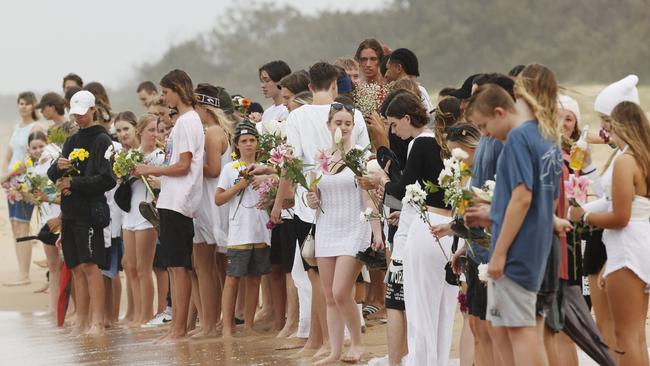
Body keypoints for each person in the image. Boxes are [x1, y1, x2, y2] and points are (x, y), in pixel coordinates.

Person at [464, 65, 565, 366]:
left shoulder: (520, 138)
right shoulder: (548, 136)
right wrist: (494, 213)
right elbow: (548, 199)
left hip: (518, 249)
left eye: (483, 126)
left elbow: (523, 197)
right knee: (509, 329)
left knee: (520, 332)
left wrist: (499, 254)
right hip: (537, 245)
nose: (485, 135)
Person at [271, 61, 370, 359]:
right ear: (337, 84)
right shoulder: (354, 114)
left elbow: (290, 163)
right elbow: (365, 159)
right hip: (329, 203)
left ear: (309, 87)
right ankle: (326, 343)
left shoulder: (297, 116)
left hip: (308, 207)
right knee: (328, 285)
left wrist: (280, 202)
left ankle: (324, 341)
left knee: (319, 283)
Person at [366, 90, 454, 366]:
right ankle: (436, 360)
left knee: (420, 307)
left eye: (393, 123)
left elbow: (404, 188)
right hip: (448, 226)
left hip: (428, 227)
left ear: (407, 118)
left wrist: (380, 179)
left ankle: (421, 360)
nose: (393, 130)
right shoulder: (441, 143)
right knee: (443, 308)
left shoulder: (420, 143)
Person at [569, 101, 650, 366]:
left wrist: (584, 217)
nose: (604, 129)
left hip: (626, 248)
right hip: (637, 246)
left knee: (625, 335)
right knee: (635, 335)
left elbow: (620, 216)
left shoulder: (627, 160)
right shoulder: (641, 156)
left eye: (608, 121)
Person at [305, 103, 382, 364]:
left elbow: (370, 199)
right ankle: (335, 351)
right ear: (329, 125)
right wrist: (311, 199)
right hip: (327, 228)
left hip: (354, 228)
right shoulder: (322, 158)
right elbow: (315, 197)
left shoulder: (361, 157)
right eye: (338, 122)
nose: (343, 127)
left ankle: (358, 343)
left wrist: (377, 232)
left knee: (341, 292)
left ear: (353, 126)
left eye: (348, 123)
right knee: (329, 296)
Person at [134, 69, 205, 341]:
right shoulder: (186, 122)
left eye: (166, 93)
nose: (164, 99)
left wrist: (152, 170)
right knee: (176, 266)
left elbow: (185, 165)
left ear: (177, 89)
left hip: (179, 201)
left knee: (179, 267)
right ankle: (178, 326)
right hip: (172, 200)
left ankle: (179, 329)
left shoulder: (188, 121)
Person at [48, 90, 117, 336]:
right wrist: (58, 168)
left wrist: (73, 184)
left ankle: (98, 320)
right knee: (75, 266)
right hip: (71, 213)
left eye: (82, 113)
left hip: (91, 212)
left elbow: (108, 179)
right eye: (74, 114)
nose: (78, 118)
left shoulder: (103, 140)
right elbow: (52, 175)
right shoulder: (71, 140)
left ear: (92, 110)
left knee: (90, 266)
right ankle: (82, 319)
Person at [215, 120, 271, 338]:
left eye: (252, 140)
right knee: (233, 278)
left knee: (255, 278)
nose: (249, 144)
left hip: (261, 231)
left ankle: (248, 325)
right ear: (236, 145)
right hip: (239, 232)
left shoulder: (264, 168)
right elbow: (218, 198)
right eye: (244, 141)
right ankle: (228, 327)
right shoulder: (230, 169)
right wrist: (239, 185)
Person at [190, 83, 233, 338]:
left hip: (210, 205)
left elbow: (214, 170)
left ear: (200, 106)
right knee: (215, 268)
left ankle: (209, 324)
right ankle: (215, 321)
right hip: (214, 203)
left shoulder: (212, 132)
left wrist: (188, 164)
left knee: (205, 266)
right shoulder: (218, 130)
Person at [117, 113, 164, 327]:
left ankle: (146, 315)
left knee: (144, 267)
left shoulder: (160, 156)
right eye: (151, 130)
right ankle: (137, 313)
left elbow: (163, 182)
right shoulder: (131, 155)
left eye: (157, 130)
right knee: (131, 266)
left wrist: (155, 180)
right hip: (129, 214)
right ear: (141, 131)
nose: (155, 134)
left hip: (147, 213)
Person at [1, 91, 44, 286]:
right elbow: (9, 155)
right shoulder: (16, 127)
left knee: (23, 224)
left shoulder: (36, 127)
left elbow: (31, 158)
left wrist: (10, 175)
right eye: (20, 103)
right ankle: (21, 271)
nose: (23, 106)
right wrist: (4, 174)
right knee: (15, 225)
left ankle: (25, 274)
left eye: (27, 103)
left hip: (26, 180)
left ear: (33, 106)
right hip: (11, 182)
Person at [28, 131, 62, 318]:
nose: (38, 150)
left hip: (59, 218)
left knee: (67, 265)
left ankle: (70, 307)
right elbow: (34, 199)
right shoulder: (31, 171)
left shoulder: (53, 163)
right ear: (29, 150)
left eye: (41, 146)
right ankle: (52, 307)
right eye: (34, 147)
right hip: (44, 220)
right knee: (53, 266)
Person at [384, 48, 434, 113]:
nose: (386, 74)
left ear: (399, 68)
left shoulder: (419, 91)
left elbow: (429, 120)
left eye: (388, 69)